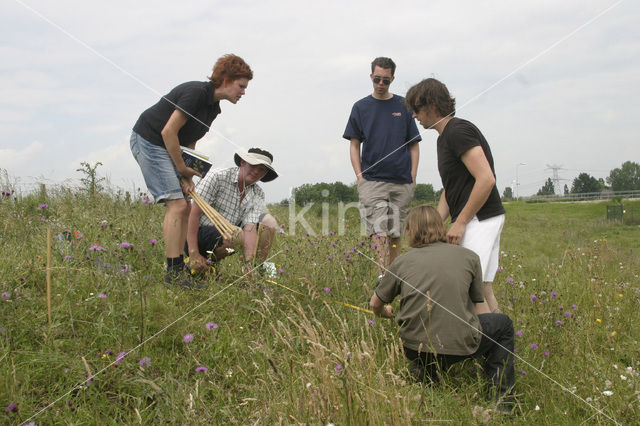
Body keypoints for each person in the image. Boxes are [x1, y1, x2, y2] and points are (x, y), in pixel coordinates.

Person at [370, 205, 515, 410]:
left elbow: (375, 303)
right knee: (504, 325)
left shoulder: (401, 262)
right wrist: (484, 339)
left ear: (411, 231)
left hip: (414, 349)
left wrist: (384, 314)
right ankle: (502, 402)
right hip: (461, 347)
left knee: (430, 337)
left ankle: (426, 372)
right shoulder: (469, 257)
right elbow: (478, 304)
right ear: (440, 227)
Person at [130, 54, 253, 288]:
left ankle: (181, 265)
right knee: (177, 205)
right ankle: (174, 274)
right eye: (241, 86)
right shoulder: (196, 93)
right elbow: (168, 131)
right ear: (226, 79)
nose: (243, 92)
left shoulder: (213, 109)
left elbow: (190, 142)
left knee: (185, 205)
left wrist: (187, 175)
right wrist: (180, 168)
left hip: (170, 146)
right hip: (150, 140)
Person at [405, 78, 506, 313]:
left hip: (481, 218)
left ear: (431, 105)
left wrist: (460, 222)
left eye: (416, 109)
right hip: (479, 218)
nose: (414, 116)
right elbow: (451, 189)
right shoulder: (444, 139)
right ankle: (503, 343)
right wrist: (436, 225)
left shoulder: (458, 131)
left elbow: (486, 179)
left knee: (470, 288)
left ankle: (484, 346)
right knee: (484, 287)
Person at [343, 57, 421, 277]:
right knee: (379, 232)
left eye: (385, 80)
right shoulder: (360, 107)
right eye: (377, 79)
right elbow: (354, 144)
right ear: (371, 77)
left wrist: (413, 176)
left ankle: (395, 278)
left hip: (401, 181)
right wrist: (360, 177)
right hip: (373, 180)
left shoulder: (403, 105)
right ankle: (382, 280)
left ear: (392, 79)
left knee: (395, 233)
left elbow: (414, 145)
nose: (380, 84)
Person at [186, 147, 278, 276]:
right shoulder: (217, 177)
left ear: (264, 174)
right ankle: (199, 263)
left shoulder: (258, 193)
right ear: (242, 163)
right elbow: (193, 214)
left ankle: (254, 270)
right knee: (237, 234)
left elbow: (250, 228)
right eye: (253, 165)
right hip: (198, 235)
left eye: (262, 169)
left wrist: (248, 262)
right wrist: (193, 252)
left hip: (227, 234)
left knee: (269, 222)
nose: (256, 171)